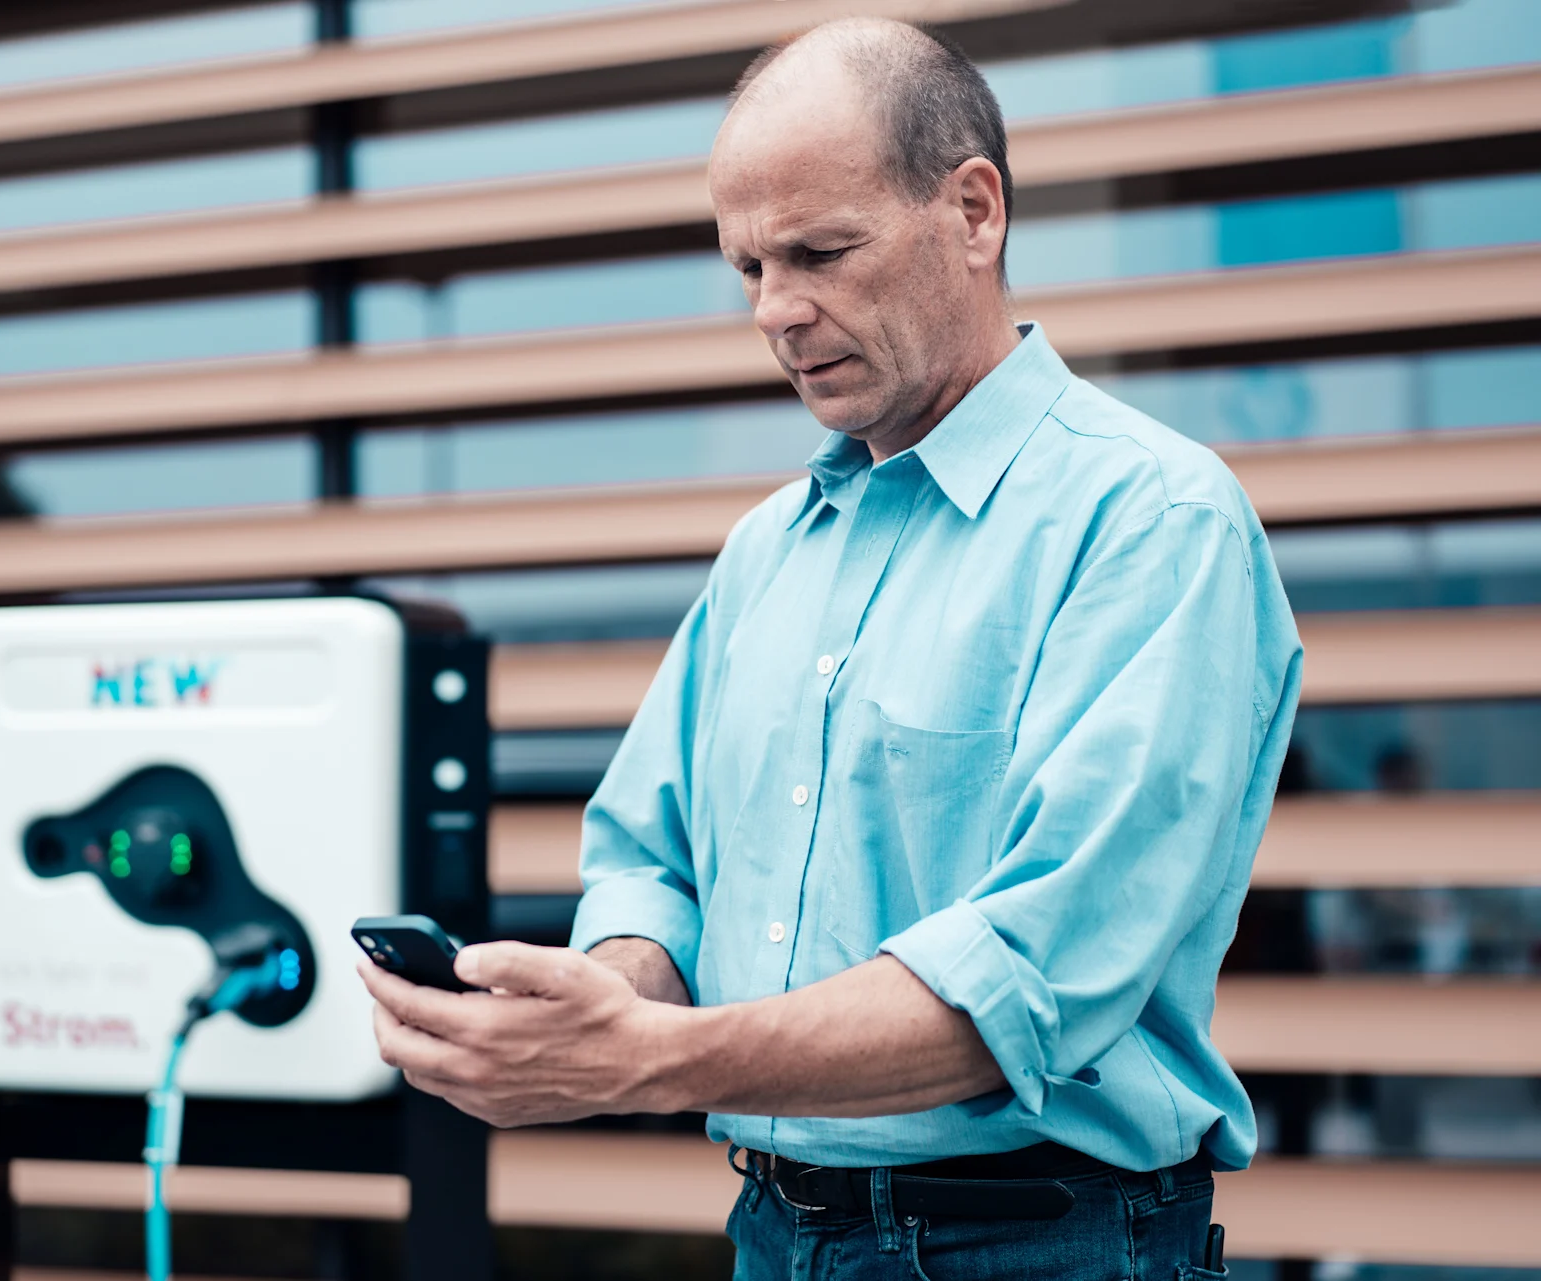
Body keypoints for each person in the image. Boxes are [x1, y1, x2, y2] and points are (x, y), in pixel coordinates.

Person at [359, 17, 1302, 1278]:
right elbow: (654, 863)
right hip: (776, 1229)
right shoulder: (767, 551)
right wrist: (610, 996)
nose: (778, 311)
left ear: (974, 214)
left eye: (820, 252)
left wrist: (649, 1059)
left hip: (1045, 1247)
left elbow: (1030, 983)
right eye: (747, 266)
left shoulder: (1152, 522)